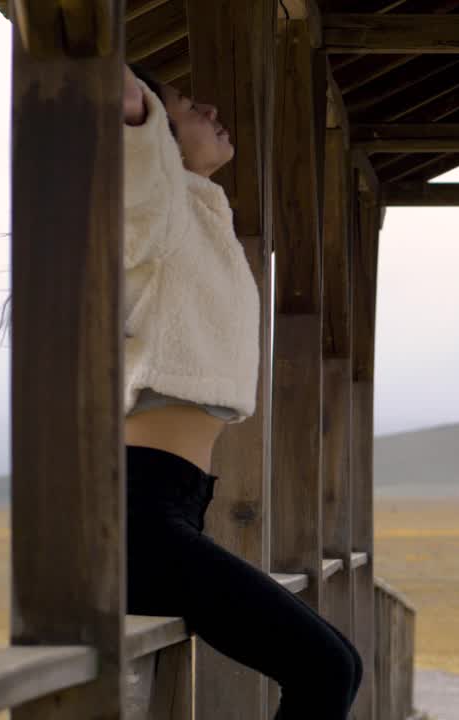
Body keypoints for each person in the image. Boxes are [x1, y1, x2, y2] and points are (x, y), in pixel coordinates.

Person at [120, 63, 361, 719]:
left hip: (172, 501)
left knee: (336, 663)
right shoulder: (148, 203)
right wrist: (129, 98)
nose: (208, 104)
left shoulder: (192, 217)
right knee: (326, 669)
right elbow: (116, 108)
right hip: (136, 508)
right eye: (183, 102)